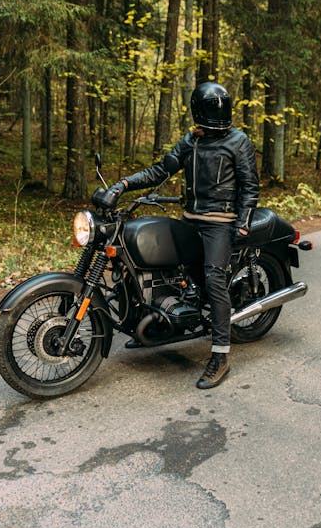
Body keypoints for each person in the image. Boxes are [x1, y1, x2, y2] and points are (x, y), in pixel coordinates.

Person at [103, 81, 259, 389]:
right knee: (166, 267)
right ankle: (160, 324)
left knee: (213, 277)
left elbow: (250, 186)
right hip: (191, 219)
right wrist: (121, 185)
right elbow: (159, 171)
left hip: (221, 221)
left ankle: (220, 354)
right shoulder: (192, 141)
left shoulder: (239, 141)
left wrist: (243, 222)